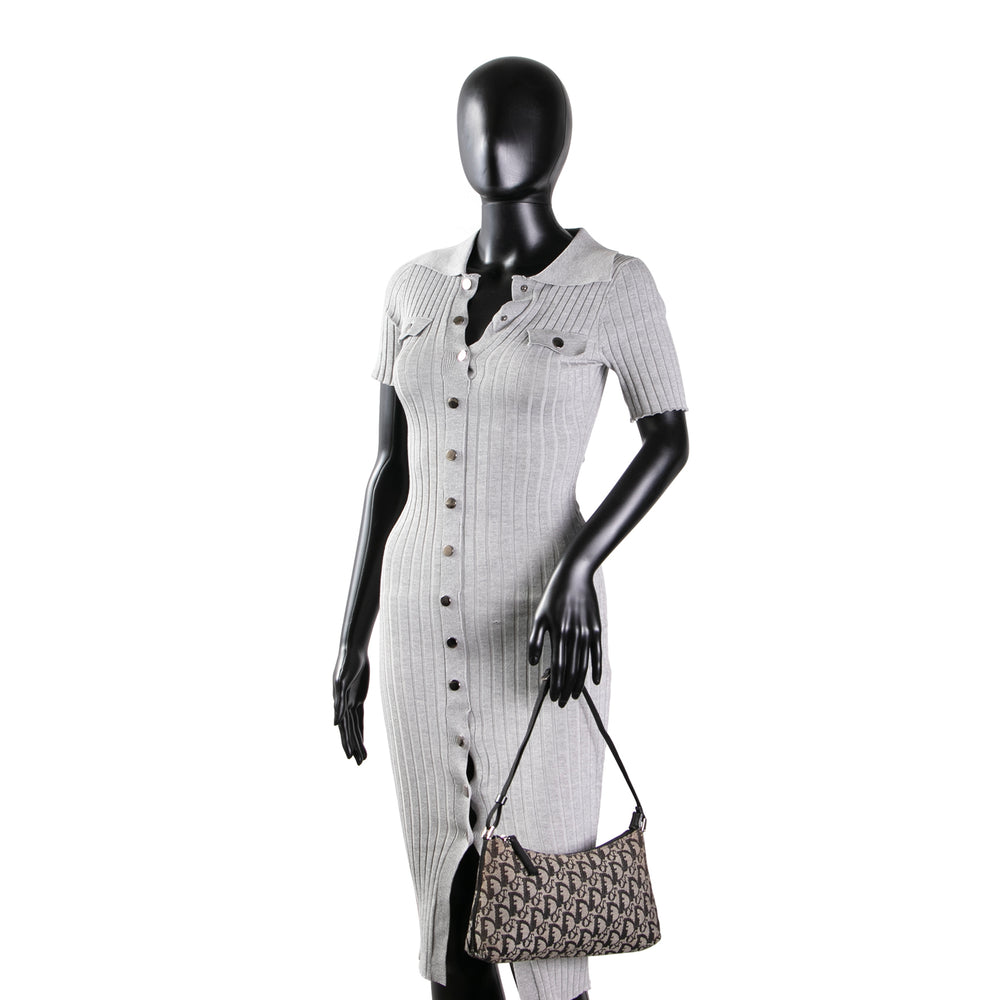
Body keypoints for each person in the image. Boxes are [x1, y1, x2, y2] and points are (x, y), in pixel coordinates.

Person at [333, 56, 689, 1000]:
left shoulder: (613, 285)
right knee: (448, 926)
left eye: (517, 122)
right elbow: (388, 470)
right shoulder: (411, 290)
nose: (494, 142)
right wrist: (352, 637)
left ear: (557, 143)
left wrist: (578, 566)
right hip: (415, 638)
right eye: (478, 121)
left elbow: (668, 441)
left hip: (543, 639)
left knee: (545, 921)